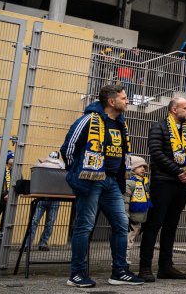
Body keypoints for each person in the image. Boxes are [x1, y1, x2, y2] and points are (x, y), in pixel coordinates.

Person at [60, 84, 143, 287]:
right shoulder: (88, 120)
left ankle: (119, 272)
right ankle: (77, 274)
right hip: (90, 181)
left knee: (121, 225)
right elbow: (68, 149)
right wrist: (79, 174)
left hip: (112, 182)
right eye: (123, 98)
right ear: (111, 101)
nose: (127, 101)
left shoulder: (121, 125)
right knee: (85, 226)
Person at [138, 97, 186, 281]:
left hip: (182, 185)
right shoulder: (159, 126)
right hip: (163, 183)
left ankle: (166, 266)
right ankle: (145, 268)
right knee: (153, 225)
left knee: (171, 226)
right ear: (174, 109)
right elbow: (156, 153)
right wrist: (178, 171)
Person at [25, 151, 65, 252]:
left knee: (35, 221)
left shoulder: (41, 165)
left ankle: (28, 244)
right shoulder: (61, 167)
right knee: (48, 223)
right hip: (53, 198)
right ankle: (41, 243)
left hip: (42, 197)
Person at [0, 150, 15, 251]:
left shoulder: (16, 172)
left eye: (14, 157)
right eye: (11, 157)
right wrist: (4, 194)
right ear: (6, 159)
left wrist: (10, 195)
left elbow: (18, 185)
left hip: (9, 203)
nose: (13, 159)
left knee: (4, 224)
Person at [125, 156, 150, 250]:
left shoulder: (144, 182)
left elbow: (146, 200)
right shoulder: (130, 181)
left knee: (131, 239)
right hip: (130, 218)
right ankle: (123, 260)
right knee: (127, 240)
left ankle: (125, 259)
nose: (143, 169)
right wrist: (126, 216)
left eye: (144, 167)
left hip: (138, 219)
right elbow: (125, 200)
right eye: (139, 166)